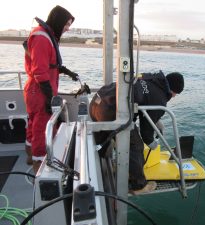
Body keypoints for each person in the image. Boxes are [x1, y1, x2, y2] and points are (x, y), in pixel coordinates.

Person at [89, 71, 184, 195]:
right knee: (136, 145)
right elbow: (146, 132)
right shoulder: (160, 98)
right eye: (176, 93)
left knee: (107, 135)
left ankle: (104, 162)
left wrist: (156, 120)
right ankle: (138, 186)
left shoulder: (150, 79)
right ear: (173, 90)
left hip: (98, 102)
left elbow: (145, 100)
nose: (175, 96)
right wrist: (151, 142)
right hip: (110, 111)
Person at [23, 5, 77, 174]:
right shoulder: (42, 37)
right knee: (42, 129)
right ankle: (39, 167)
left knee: (33, 125)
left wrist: (65, 71)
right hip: (39, 91)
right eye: (66, 24)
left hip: (36, 90)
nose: (67, 29)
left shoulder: (46, 35)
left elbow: (49, 64)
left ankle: (30, 156)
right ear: (58, 20)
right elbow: (40, 71)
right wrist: (49, 97)